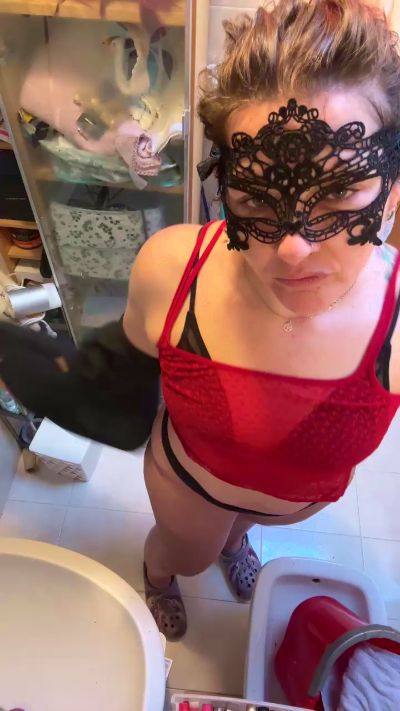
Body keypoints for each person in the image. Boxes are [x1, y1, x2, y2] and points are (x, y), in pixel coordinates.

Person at [1, 0, 400, 641]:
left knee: (238, 530)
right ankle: (161, 573)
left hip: (294, 503)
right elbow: (114, 379)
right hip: (192, 485)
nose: (293, 248)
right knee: (186, 551)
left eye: (338, 192)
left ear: (393, 186)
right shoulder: (171, 270)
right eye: (256, 199)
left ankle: (234, 541)